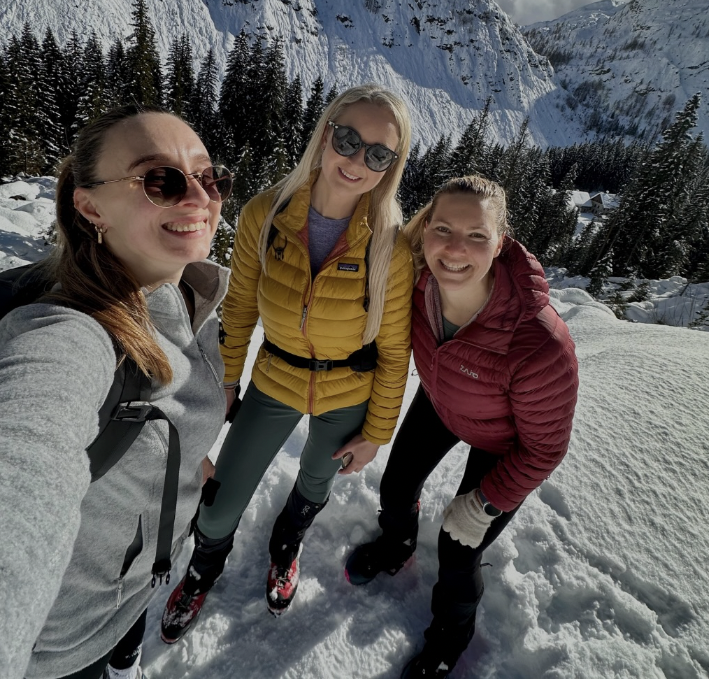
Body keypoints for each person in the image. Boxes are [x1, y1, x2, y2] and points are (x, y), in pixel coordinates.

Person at [161, 84, 414, 637]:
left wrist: (376, 433)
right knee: (219, 503)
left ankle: (286, 545)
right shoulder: (266, 214)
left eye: (378, 154)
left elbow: (396, 353)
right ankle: (203, 573)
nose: (357, 161)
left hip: (348, 391)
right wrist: (225, 381)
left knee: (316, 483)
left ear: (390, 166)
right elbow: (241, 309)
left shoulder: (390, 247)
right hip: (274, 379)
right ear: (326, 133)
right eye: (348, 140)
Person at [0, 105, 234, 679]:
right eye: (161, 180)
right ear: (89, 205)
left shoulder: (191, 295)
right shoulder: (69, 336)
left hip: (132, 589)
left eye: (209, 178)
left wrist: (187, 457)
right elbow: (26, 460)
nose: (198, 198)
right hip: (60, 645)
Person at [345, 175, 579, 679]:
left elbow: (545, 448)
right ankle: (397, 544)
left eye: (477, 236)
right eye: (444, 229)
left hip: (505, 442)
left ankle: (449, 639)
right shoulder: (418, 283)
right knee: (397, 484)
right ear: (426, 229)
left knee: (459, 547)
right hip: (441, 399)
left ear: (501, 243)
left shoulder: (537, 341)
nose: (455, 249)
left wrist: (487, 502)